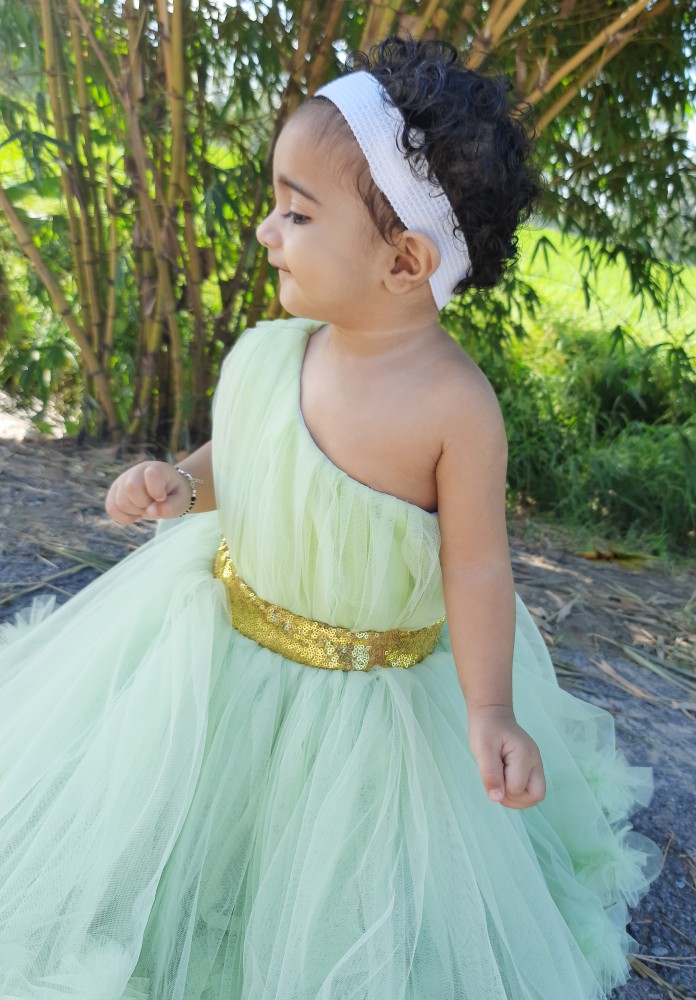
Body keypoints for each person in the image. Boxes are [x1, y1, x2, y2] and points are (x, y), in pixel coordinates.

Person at [0, 35, 661, 1000]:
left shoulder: (454, 407)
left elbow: (476, 568)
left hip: (369, 701)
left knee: (328, 876)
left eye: (296, 212)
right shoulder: (279, 351)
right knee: (196, 821)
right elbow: (255, 450)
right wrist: (181, 484)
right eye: (277, 204)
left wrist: (488, 711)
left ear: (404, 260)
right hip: (219, 641)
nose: (268, 231)